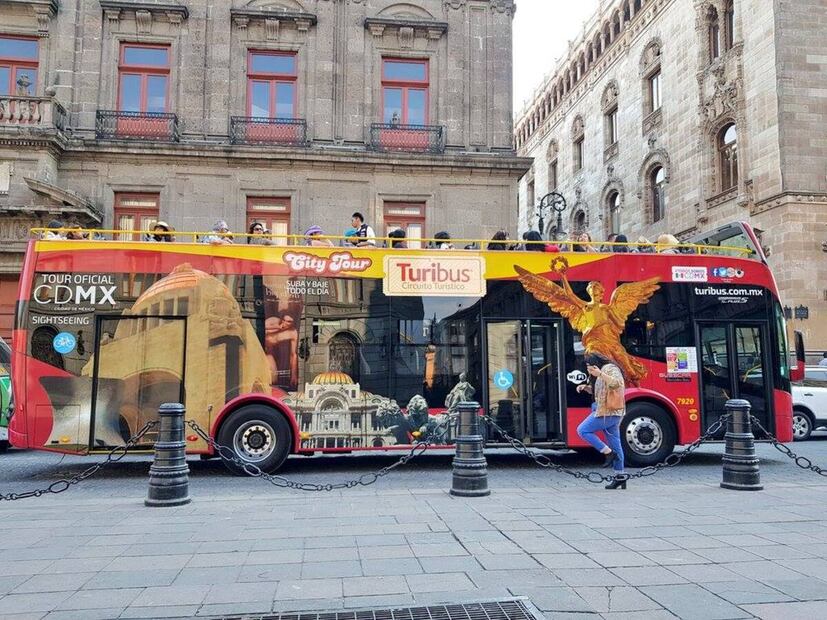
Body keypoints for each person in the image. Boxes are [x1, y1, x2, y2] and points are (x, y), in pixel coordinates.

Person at [576, 353, 628, 489]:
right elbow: (602, 390)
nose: (588, 370)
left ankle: (607, 452)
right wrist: (586, 388)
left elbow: (617, 384)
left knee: (582, 430)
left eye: (589, 367)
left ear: (595, 364)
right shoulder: (599, 372)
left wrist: (599, 374)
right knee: (615, 443)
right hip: (608, 412)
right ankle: (620, 476)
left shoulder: (610, 368)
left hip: (608, 412)